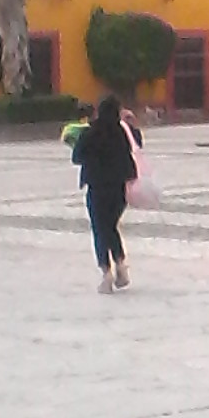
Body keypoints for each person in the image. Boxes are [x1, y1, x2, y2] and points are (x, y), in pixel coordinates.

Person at [72, 95, 138, 293]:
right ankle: (120, 265)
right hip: (118, 188)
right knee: (110, 227)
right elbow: (136, 146)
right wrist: (131, 124)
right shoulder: (121, 132)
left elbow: (76, 157)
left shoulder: (91, 133)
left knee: (100, 229)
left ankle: (107, 272)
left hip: (97, 187)